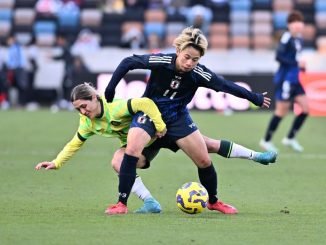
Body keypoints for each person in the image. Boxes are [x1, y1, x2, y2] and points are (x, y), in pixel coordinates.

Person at [104, 26, 273, 215]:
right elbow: (129, 62)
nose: (189, 63)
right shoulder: (162, 61)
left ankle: (214, 201)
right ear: (178, 51)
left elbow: (225, 85)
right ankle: (122, 203)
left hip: (178, 118)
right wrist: (111, 88)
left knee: (203, 160)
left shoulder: (199, 73)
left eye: (195, 59)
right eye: (186, 57)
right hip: (150, 114)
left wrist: (253, 97)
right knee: (132, 151)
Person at [35, 82, 167, 214]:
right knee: (118, 161)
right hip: (143, 147)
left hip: (160, 131)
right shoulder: (87, 122)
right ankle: (150, 201)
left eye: (83, 106)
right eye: (78, 109)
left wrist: (160, 126)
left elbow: (145, 103)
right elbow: (74, 144)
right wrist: (56, 162)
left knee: (188, 152)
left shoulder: (114, 107)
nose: (82, 112)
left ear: (94, 97)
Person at [259, 11, 308, 153]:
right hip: (285, 80)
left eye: (299, 22)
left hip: (295, 80)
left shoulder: (299, 39)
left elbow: (296, 58)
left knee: (306, 109)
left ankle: (290, 138)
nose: (298, 25)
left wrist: (301, 67)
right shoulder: (286, 38)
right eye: (294, 22)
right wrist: (297, 62)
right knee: (281, 111)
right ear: (289, 25)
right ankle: (266, 140)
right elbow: (279, 57)